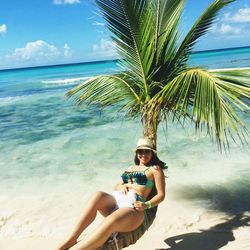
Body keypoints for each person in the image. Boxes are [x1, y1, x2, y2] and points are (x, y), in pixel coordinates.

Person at [57, 138, 166, 250]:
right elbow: (118, 184)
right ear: (136, 153)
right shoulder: (130, 168)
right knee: (97, 195)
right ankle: (71, 239)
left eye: (147, 151)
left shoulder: (155, 170)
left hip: (133, 207)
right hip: (118, 200)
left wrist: (146, 205)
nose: (143, 154)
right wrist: (120, 186)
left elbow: (161, 195)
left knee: (110, 220)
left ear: (152, 153)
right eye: (140, 151)